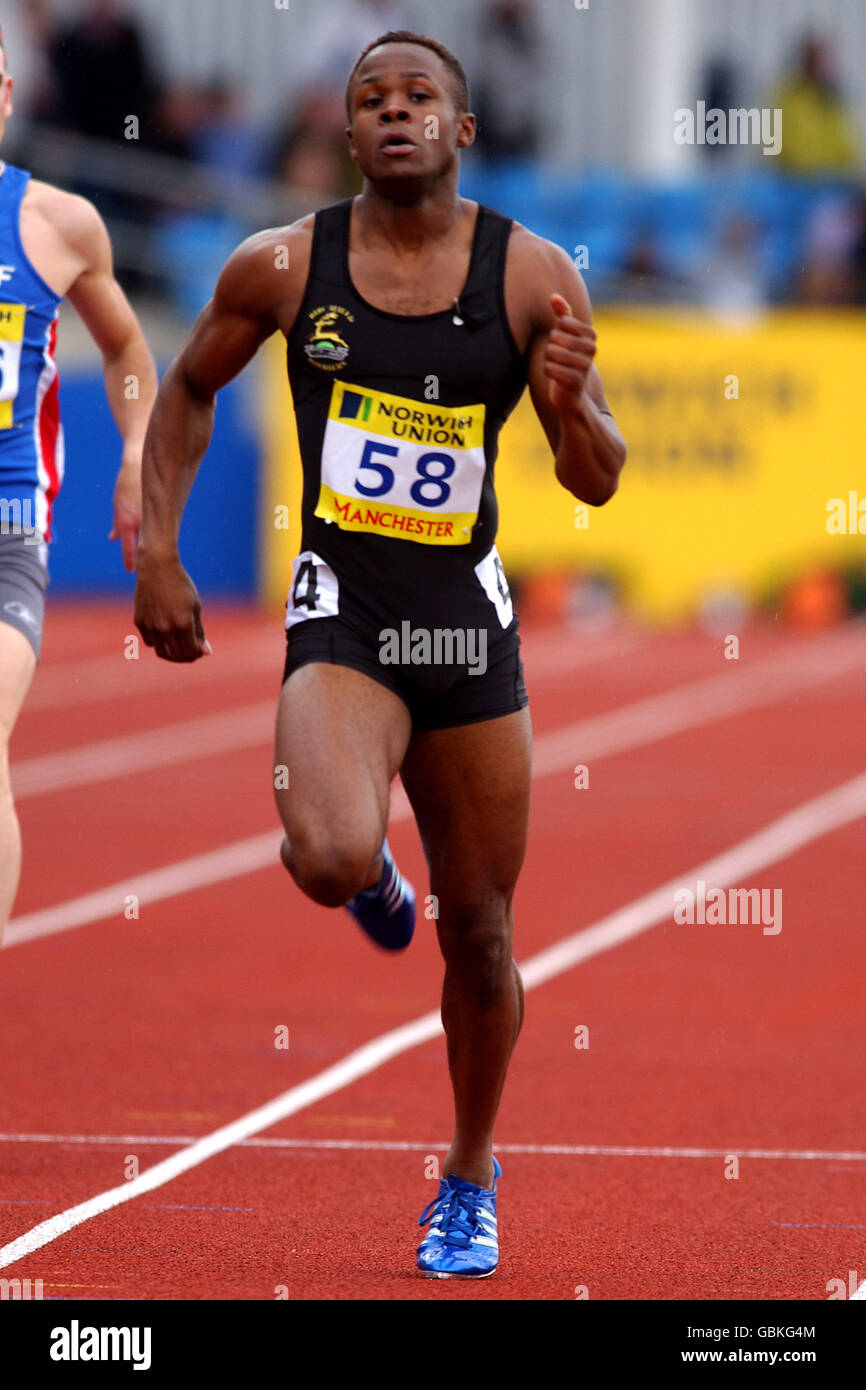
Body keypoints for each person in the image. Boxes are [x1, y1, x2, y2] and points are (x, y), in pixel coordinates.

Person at [133, 30, 625, 1280]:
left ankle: (467, 1172)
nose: (394, 112)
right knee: (327, 852)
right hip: (345, 613)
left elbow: (595, 478)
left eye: (418, 97)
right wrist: (159, 551)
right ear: (345, 131)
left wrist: (567, 403)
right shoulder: (283, 266)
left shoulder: (531, 275)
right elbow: (186, 388)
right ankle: (367, 876)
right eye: (370, 99)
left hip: (462, 624)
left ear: (461, 129)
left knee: (484, 934)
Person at [0, 26, 158, 942]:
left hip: (8, 529)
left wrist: (135, 452)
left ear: (8, 99)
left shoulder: (57, 224)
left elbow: (128, 345)